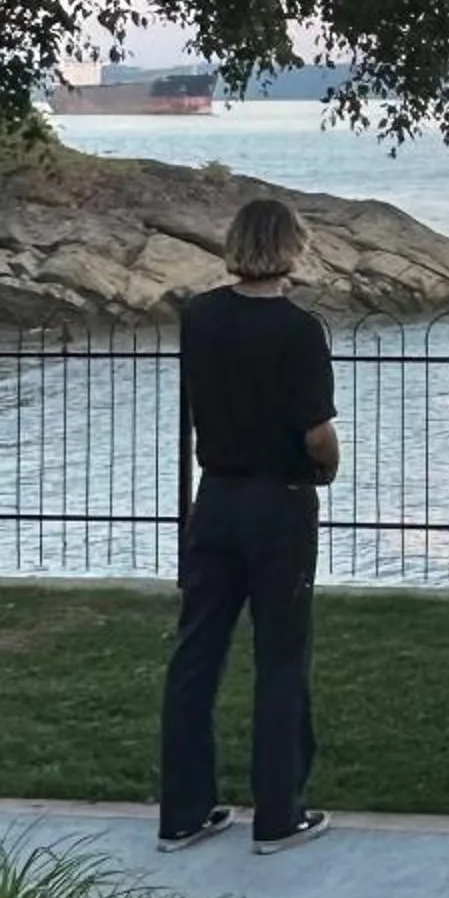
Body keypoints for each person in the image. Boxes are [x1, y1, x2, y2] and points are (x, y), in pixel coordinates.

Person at [157, 197, 340, 854]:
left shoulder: (199, 319)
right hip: (279, 502)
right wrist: (329, 468)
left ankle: (184, 811)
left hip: (216, 500)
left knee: (196, 652)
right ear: (291, 247)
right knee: (281, 658)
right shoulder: (299, 330)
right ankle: (278, 813)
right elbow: (317, 433)